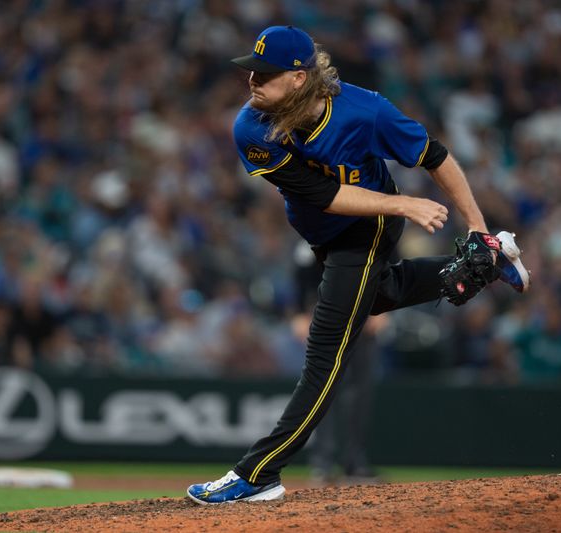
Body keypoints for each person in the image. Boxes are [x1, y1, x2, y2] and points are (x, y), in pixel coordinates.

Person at [187, 25, 529, 505]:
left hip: (366, 230)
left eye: (266, 73)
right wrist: (408, 206)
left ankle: (258, 473)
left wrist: (478, 226)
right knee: (381, 293)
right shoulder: (251, 127)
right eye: (251, 71)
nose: (253, 81)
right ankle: (486, 264)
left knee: (325, 352)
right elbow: (323, 196)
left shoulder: (364, 110)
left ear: (300, 78)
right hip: (330, 230)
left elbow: (435, 156)